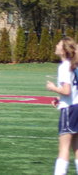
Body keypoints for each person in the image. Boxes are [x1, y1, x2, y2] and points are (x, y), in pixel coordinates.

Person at [46, 37, 78, 175]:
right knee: (76, 147)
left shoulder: (64, 66)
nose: (56, 46)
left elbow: (67, 91)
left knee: (64, 148)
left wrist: (53, 88)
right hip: (76, 107)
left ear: (64, 50)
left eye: (58, 44)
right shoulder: (74, 65)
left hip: (69, 109)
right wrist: (60, 98)